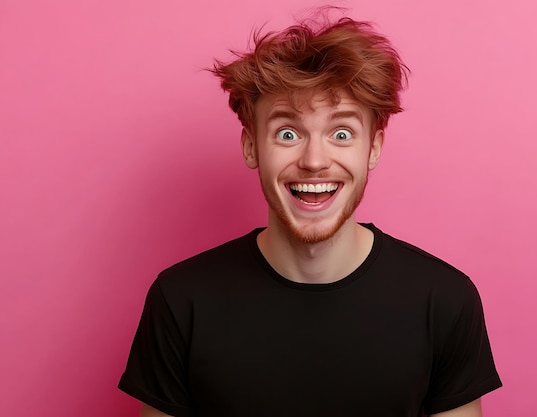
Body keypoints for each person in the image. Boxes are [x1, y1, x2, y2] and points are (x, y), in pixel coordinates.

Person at [119, 13, 502, 417]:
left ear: (373, 148)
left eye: (341, 134)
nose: (315, 161)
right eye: (288, 133)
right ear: (251, 147)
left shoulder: (445, 301)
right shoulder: (180, 301)